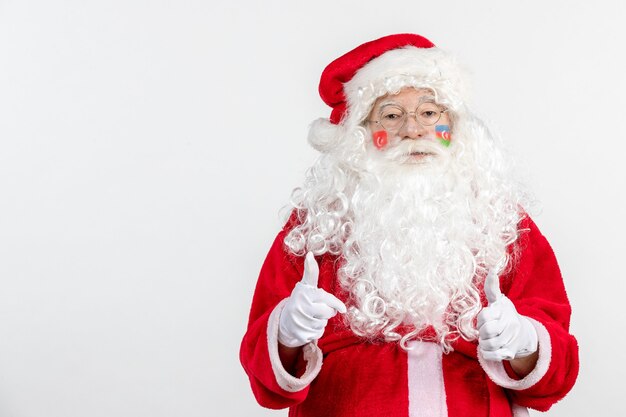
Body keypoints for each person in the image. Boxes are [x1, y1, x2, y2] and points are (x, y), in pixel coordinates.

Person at [240, 33, 579, 417]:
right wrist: (286, 331)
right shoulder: (317, 225)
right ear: (363, 134)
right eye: (391, 115)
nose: (413, 130)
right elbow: (265, 377)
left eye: (430, 112)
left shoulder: (500, 219)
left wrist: (524, 341)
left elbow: (556, 372)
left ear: (454, 124)